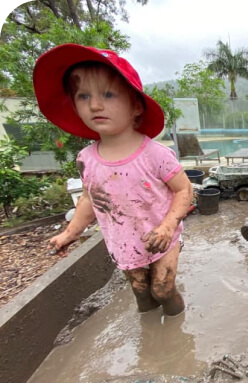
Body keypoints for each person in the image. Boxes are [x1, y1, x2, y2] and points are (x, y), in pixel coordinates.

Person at [35, 44, 193, 317]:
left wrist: (167, 227)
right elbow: (88, 198)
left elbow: (184, 189)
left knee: (163, 289)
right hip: (124, 244)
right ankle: (154, 343)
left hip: (161, 238)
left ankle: (179, 333)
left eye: (108, 94)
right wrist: (70, 234)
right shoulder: (86, 159)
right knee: (141, 294)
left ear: (136, 106)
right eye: (84, 96)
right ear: (74, 105)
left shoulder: (155, 154)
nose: (95, 105)